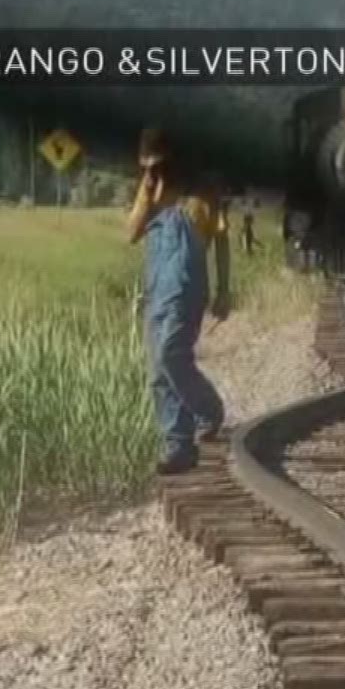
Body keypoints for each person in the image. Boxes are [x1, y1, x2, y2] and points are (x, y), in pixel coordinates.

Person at [127, 128, 229, 473]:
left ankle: (210, 410)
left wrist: (225, 289)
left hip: (187, 290)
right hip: (156, 290)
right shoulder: (151, 194)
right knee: (158, 371)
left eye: (157, 166)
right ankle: (179, 447)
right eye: (147, 167)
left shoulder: (204, 193)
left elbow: (222, 239)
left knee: (172, 354)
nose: (153, 173)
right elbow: (130, 233)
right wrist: (148, 191)